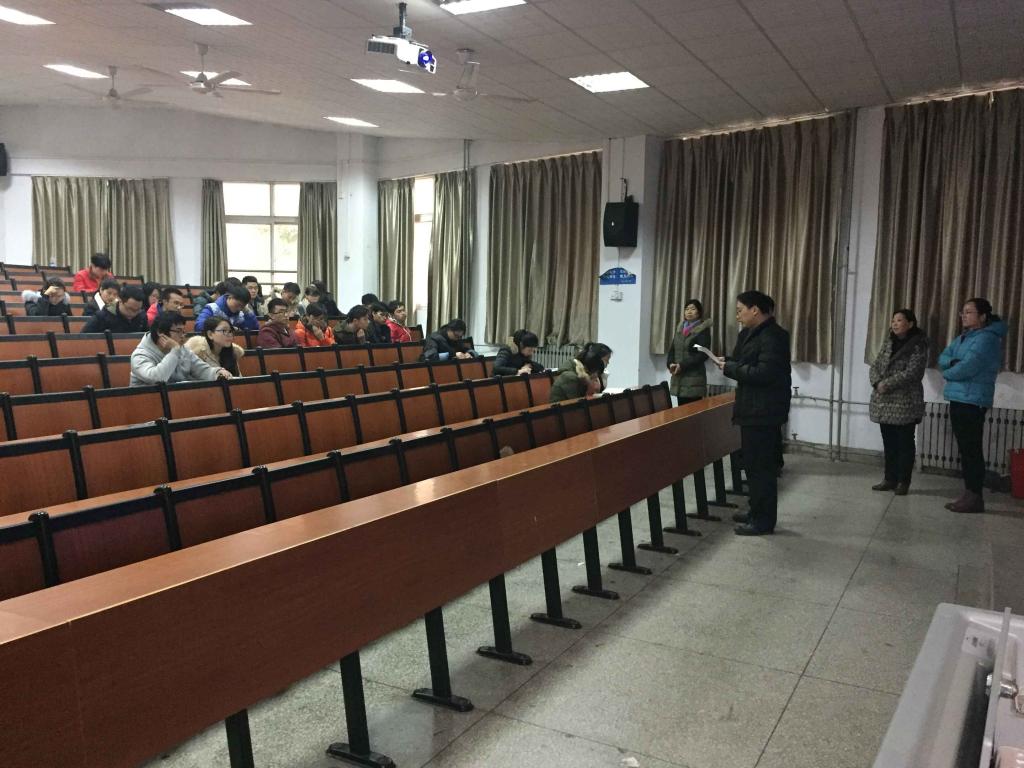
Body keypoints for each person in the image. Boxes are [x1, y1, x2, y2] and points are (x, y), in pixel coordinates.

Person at [715, 290, 791, 536]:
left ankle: (763, 521)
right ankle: (756, 510)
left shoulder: (773, 336)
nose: (737, 316)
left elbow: (764, 373)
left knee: (762, 467)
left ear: (755, 309)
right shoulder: (750, 333)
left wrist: (731, 368)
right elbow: (744, 362)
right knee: (752, 465)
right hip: (751, 408)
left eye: (740, 310)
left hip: (764, 411)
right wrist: (727, 361)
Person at [938, 297, 1007, 514]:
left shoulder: (987, 338)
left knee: (971, 450)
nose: (964, 316)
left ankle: (975, 496)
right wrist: (951, 363)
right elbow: (943, 357)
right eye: (963, 312)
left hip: (972, 400)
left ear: (983, 316)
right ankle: (970, 493)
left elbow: (969, 366)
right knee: (966, 449)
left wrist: (947, 373)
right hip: (960, 398)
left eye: (969, 312)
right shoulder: (964, 337)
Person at [869, 309, 928, 496]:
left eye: (899, 320)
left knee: (905, 443)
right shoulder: (889, 342)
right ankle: (889, 478)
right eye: (893, 320)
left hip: (905, 401)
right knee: (889, 442)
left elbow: (913, 373)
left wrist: (887, 384)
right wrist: (876, 382)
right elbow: (876, 365)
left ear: (910, 324)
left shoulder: (918, 345)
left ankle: (904, 481)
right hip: (885, 401)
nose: (895, 323)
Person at [130, 311, 229, 387]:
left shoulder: (182, 349)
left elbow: (201, 370)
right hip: (148, 402)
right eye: (178, 331)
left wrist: (217, 373)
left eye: (183, 331)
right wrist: (174, 351)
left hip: (176, 399)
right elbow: (157, 379)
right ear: (160, 332)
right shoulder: (140, 355)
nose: (183, 336)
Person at [667, 299, 713, 405]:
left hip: (694, 380)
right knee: (680, 411)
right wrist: (670, 364)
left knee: (692, 412)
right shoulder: (680, 328)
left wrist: (682, 365)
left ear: (699, 312)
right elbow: (672, 349)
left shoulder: (703, 330)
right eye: (687, 309)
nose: (689, 312)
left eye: (693, 309)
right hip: (678, 378)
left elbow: (703, 354)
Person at [83, 284, 148, 333]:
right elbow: (84, 340)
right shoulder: (102, 317)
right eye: (130, 309)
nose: (133, 314)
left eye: (137, 310)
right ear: (120, 300)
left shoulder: (142, 316)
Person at [194, 284, 259, 332]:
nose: (239, 309)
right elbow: (199, 327)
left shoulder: (242, 312)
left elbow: (252, 330)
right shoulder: (212, 308)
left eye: (242, 306)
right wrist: (226, 329)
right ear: (230, 297)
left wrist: (248, 314)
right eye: (237, 305)